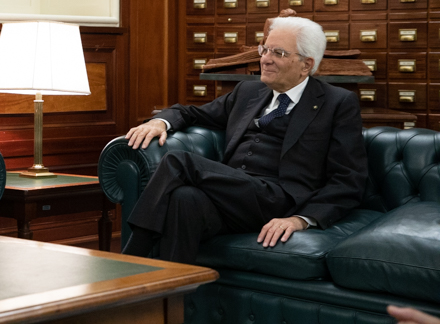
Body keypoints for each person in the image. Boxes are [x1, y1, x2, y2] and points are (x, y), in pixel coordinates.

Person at [122, 16, 367, 264]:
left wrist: (301, 219)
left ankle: (129, 260)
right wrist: (159, 122)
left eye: (278, 53)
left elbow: (348, 179)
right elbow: (192, 112)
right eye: (265, 49)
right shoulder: (247, 91)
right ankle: (166, 297)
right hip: (233, 198)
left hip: (278, 200)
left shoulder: (337, 103)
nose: (265, 59)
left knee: (177, 161)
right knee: (184, 199)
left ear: (306, 64)